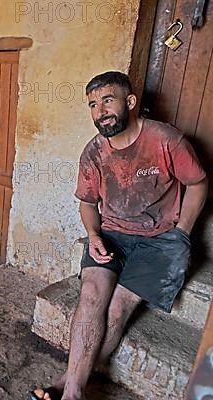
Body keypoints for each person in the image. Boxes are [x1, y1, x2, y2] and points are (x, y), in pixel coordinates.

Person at [31, 71, 208, 400]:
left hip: (160, 241)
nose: (100, 111)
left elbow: (198, 183)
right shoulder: (94, 153)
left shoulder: (165, 140)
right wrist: (93, 234)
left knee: (117, 308)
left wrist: (182, 232)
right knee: (91, 295)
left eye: (107, 100)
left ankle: (65, 386)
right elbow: (86, 202)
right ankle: (73, 392)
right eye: (93, 105)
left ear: (130, 102)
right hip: (112, 232)